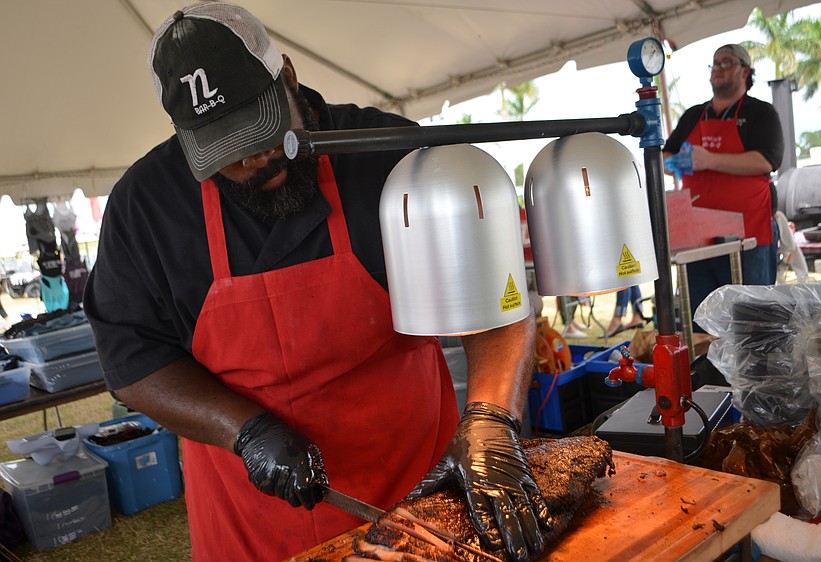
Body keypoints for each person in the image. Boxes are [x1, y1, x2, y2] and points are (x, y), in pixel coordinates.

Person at [82, 3, 550, 561]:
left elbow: (498, 302)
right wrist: (243, 431)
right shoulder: (146, 208)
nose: (256, 158)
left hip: (418, 492)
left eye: (261, 129)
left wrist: (491, 419)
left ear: (287, 76)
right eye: (227, 152)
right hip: (250, 520)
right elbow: (133, 364)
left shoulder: (390, 158)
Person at [663, 44, 784, 332]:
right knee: (702, 318)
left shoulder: (761, 113)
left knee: (753, 319)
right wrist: (676, 162)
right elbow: (665, 157)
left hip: (749, 234)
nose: (718, 68)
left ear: (745, 70)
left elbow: (766, 160)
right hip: (698, 236)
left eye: (727, 62)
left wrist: (709, 159)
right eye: (715, 63)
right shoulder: (693, 115)